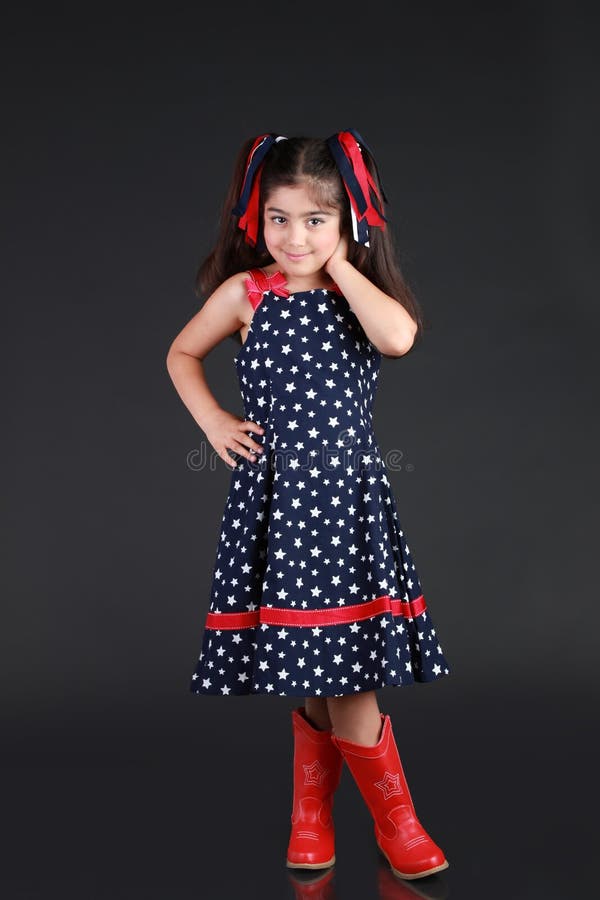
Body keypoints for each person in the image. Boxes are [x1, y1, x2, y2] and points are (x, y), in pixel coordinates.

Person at [166, 130, 452, 882]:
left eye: (316, 220)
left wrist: (343, 266)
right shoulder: (245, 294)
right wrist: (214, 422)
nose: (295, 236)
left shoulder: (357, 295)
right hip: (280, 504)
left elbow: (397, 338)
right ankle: (320, 814)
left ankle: (390, 821)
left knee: (345, 666)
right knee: (315, 664)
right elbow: (181, 353)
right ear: (257, 221)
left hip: (347, 503)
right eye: (280, 219)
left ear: (348, 222)